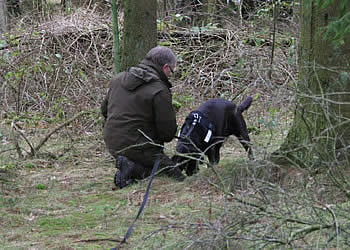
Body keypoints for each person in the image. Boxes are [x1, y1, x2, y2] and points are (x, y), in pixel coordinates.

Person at [101, 46, 185, 188]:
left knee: (155, 167)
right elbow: (167, 133)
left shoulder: (117, 79)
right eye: (171, 71)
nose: (170, 75)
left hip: (112, 142)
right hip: (140, 146)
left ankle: (129, 166)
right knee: (175, 177)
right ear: (165, 67)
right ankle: (132, 168)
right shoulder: (159, 90)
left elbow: (104, 110)